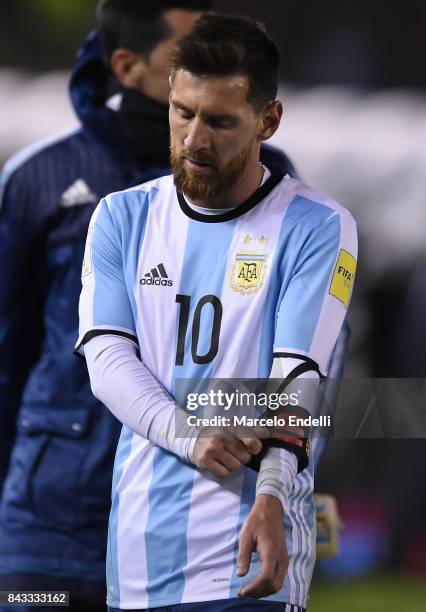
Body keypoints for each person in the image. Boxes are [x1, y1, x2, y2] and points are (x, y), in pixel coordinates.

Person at [0, 2, 299, 611]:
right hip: (52, 523)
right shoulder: (41, 178)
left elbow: (304, 361)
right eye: (186, 52)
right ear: (129, 66)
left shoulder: (275, 189)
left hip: (200, 514)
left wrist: (282, 483)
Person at [76, 13, 358, 612]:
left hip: (251, 545)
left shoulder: (318, 226)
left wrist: (277, 490)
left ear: (269, 119)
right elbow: (105, 360)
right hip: (138, 555)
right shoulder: (121, 218)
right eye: (184, 112)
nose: (195, 138)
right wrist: (191, 434)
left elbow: (297, 375)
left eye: (221, 121)